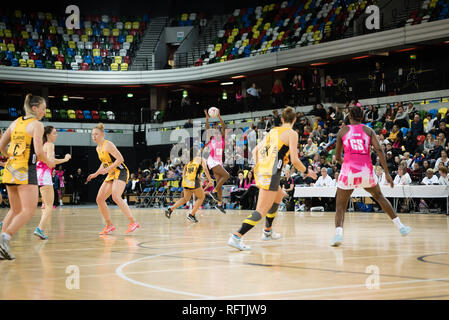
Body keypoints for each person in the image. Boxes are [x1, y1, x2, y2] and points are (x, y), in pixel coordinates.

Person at [228, 106, 317, 251]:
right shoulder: (292, 133)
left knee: (279, 196)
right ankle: (236, 236)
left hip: (264, 171)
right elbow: (295, 160)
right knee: (261, 211)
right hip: (271, 173)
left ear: (281, 119)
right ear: (294, 120)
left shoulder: (273, 131)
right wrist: (307, 171)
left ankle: (267, 231)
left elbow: (255, 150)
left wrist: (259, 169)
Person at [331, 106, 411, 247]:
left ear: (349, 117)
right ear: (362, 117)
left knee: (340, 206)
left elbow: (337, 157)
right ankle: (401, 227)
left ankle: (338, 235)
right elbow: (379, 150)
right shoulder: (368, 130)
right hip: (366, 171)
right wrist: (386, 173)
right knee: (380, 197)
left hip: (349, 171)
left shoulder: (343, 131)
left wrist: (347, 163)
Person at [0, 94, 55, 260]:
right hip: (25, 170)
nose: (45, 112)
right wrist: (49, 162)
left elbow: (1, 146)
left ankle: (2, 242)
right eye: (43, 108)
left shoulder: (15, 122)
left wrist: (9, 158)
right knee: (29, 210)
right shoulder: (37, 125)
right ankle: (5, 238)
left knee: (16, 209)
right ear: (34, 108)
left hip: (10, 169)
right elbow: (39, 152)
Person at [86, 123, 140, 235]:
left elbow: (120, 159)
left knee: (115, 196)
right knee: (99, 199)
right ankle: (109, 225)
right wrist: (96, 174)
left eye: (96, 134)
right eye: (92, 135)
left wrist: (108, 169)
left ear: (102, 134)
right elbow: (104, 163)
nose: (94, 136)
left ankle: (133, 222)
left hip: (121, 171)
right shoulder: (98, 148)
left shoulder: (108, 144)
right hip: (111, 173)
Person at [33, 126, 71, 240]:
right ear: (48, 135)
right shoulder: (50, 145)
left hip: (39, 175)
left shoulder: (42, 145)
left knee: (46, 204)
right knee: (50, 205)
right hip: (44, 176)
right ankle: (40, 229)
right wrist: (65, 159)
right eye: (54, 133)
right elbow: (50, 160)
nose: (56, 135)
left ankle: (41, 228)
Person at [165, 145, 213, 223]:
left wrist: (184, 178)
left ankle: (170, 209)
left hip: (186, 181)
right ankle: (192, 215)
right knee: (201, 197)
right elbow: (205, 169)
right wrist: (210, 180)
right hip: (193, 181)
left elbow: (184, 169)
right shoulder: (200, 159)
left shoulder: (189, 161)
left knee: (185, 199)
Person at [204, 108, 230, 214]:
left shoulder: (222, 138)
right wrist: (207, 118)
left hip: (219, 161)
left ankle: (219, 204)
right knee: (226, 175)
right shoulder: (212, 139)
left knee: (220, 182)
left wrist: (219, 116)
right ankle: (213, 191)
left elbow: (224, 127)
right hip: (212, 160)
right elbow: (207, 127)